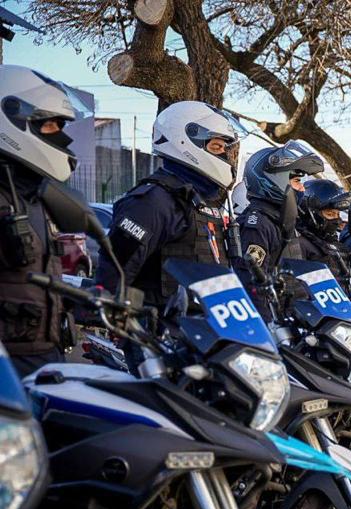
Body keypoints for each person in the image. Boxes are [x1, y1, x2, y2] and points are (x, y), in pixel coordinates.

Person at [98, 101, 243, 308]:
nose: (224, 156)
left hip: (208, 324)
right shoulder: (153, 203)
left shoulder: (204, 203)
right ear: (184, 142)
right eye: (217, 147)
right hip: (162, 326)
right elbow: (112, 280)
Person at [0, 65, 88, 376]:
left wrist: (92, 298)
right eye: (49, 125)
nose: (60, 136)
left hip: (45, 360)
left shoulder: (32, 197)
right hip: (10, 371)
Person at [234, 141, 324, 274]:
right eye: (297, 181)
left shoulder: (278, 221)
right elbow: (251, 279)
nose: (302, 188)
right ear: (275, 181)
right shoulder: (259, 226)